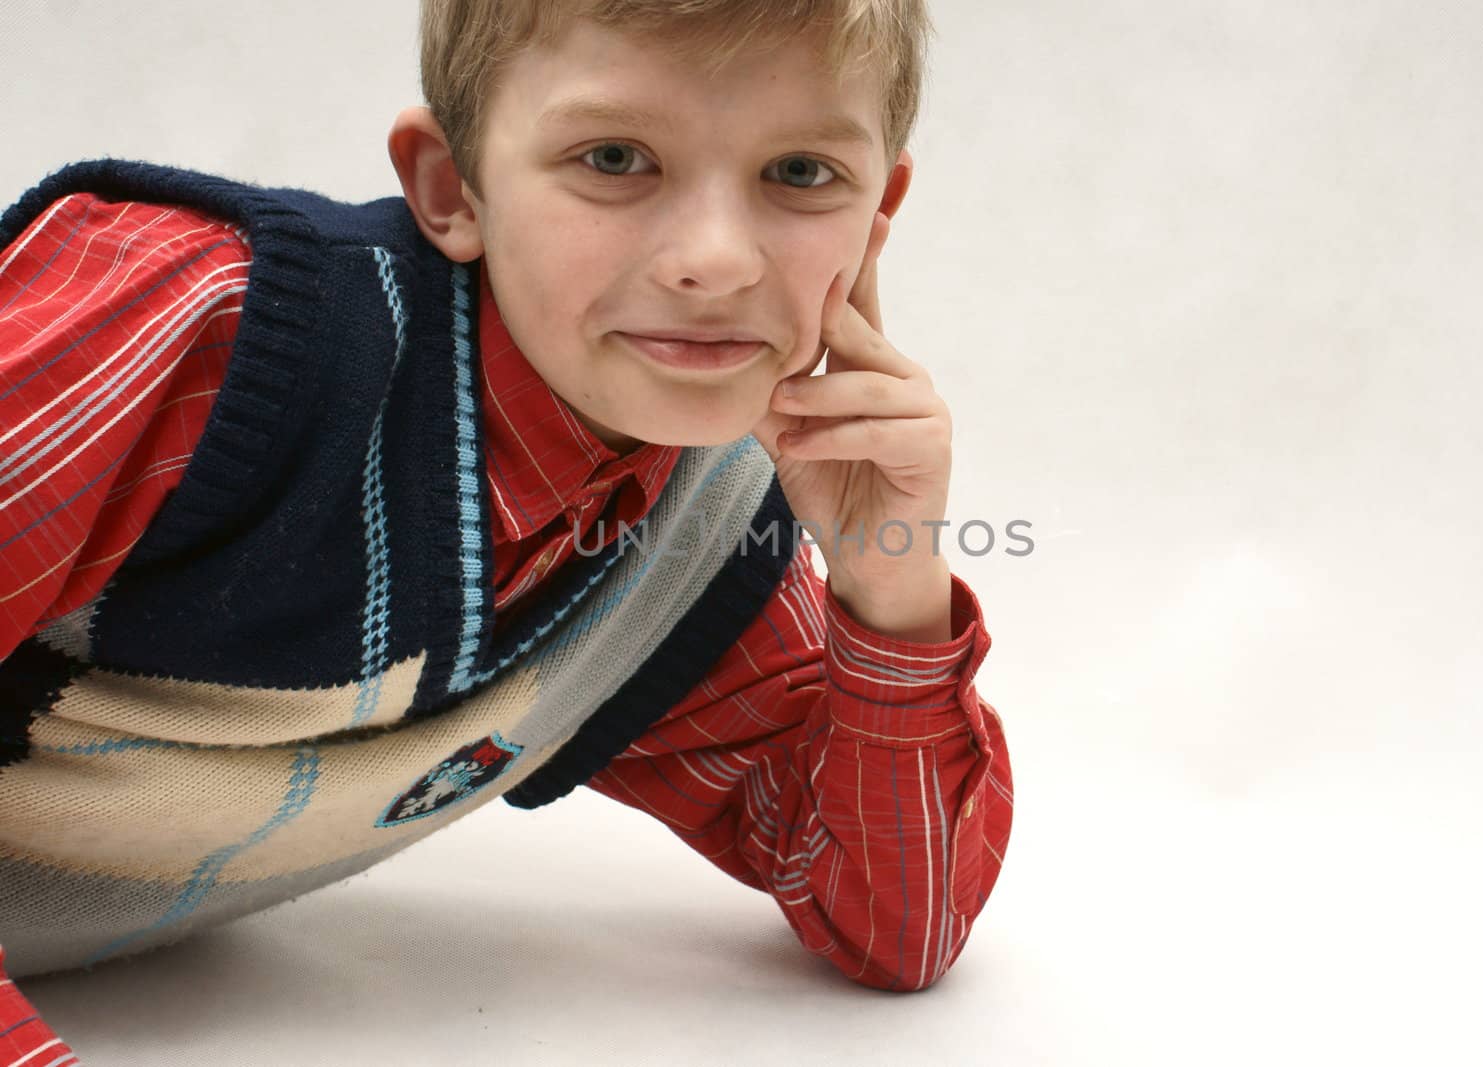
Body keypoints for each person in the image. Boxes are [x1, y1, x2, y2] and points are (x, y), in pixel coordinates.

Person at [0, 0, 1015, 1056]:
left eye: (801, 173)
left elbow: (896, 922)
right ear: (449, 184)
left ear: (878, 214)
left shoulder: (694, 522)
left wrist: (883, 575)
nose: (717, 261)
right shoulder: (197, 324)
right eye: (616, 158)